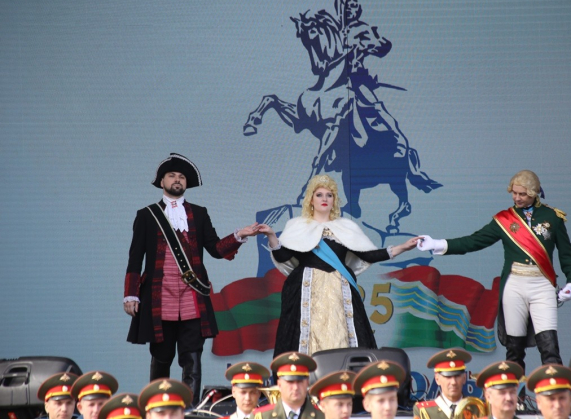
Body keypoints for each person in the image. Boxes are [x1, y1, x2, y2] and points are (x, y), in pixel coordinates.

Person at [123, 153, 262, 406]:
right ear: (162, 181)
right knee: (161, 357)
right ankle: (158, 408)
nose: (177, 180)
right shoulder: (146, 215)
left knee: (192, 358)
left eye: (182, 177)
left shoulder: (199, 213)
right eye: (172, 176)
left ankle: (191, 411)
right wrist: (131, 293)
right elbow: (135, 258)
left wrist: (239, 235)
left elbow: (216, 249)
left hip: (192, 297)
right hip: (159, 297)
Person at [417, 170, 571, 372]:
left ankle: (557, 388)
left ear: (534, 193)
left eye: (522, 194)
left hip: (542, 285)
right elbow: (474, 241)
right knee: (514, 350)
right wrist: (438, 244)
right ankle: (514, 391)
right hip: (514, 285)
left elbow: (567, 255)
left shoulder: (553, 217)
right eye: (514, 193)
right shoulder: (504, 219)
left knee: (550, 347)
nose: (517, 198)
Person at [258, 174, 421, 356]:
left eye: (329, 195)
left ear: (334, 200)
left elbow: (368, 254)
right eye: (319, 195)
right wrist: (271, 235)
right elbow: (283, 256)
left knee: (341, 333)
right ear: (311, 200)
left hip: (339, 289)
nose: (325, 199)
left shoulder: (345, 227)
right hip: (306, 290)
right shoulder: (297, 226)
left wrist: (403, 247)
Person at [252, 352, 324, 419]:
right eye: (290, 382)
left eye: (300, 382)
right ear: (279, 385)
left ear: (307, 383)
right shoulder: (261, 416)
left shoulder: (323, 416)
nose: (295, 387)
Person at [413, 349, 473, 419]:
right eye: (448, 377)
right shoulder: (425, 410)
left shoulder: (476, 408)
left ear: (464, 378)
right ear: (437, 379)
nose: (453, 382)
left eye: (457, 376)